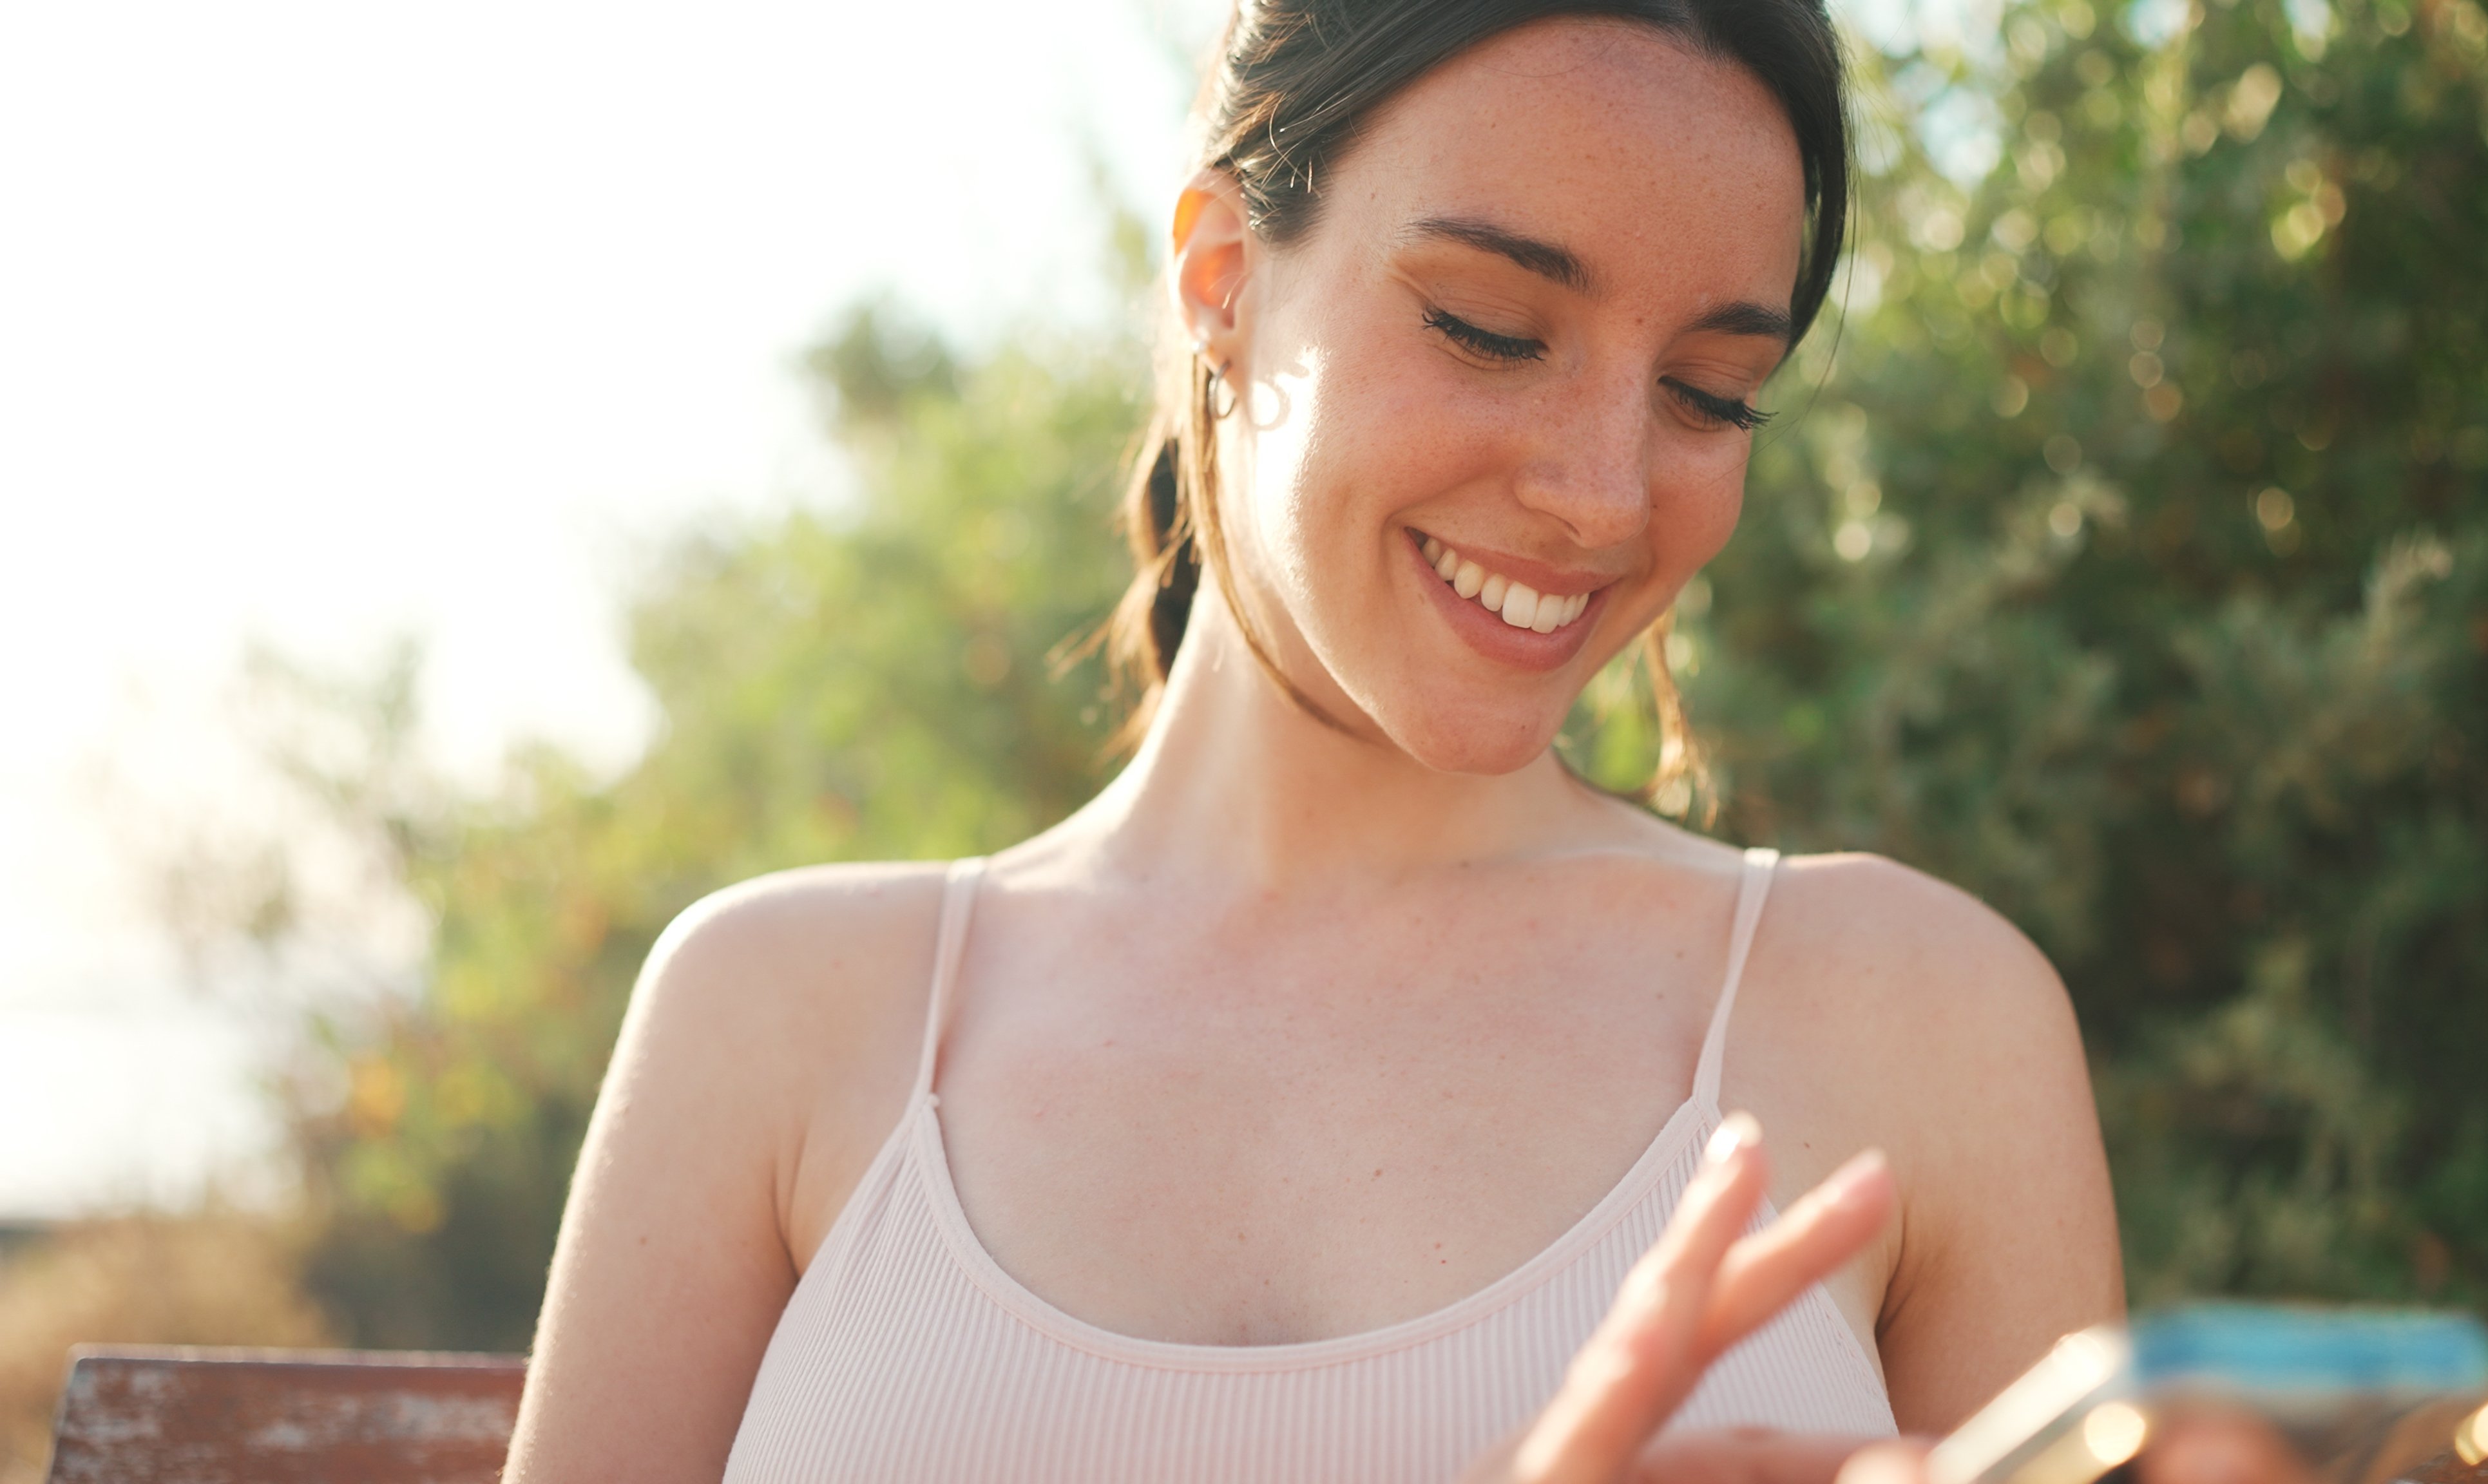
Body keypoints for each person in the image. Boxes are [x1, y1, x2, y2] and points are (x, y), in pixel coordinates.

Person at [502, 1, 2156, 1479]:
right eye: (1490, 328)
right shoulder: (778, 1018)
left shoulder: (1923, 1020)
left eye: (1709, 393)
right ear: (1221, 275)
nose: (1600, 491)